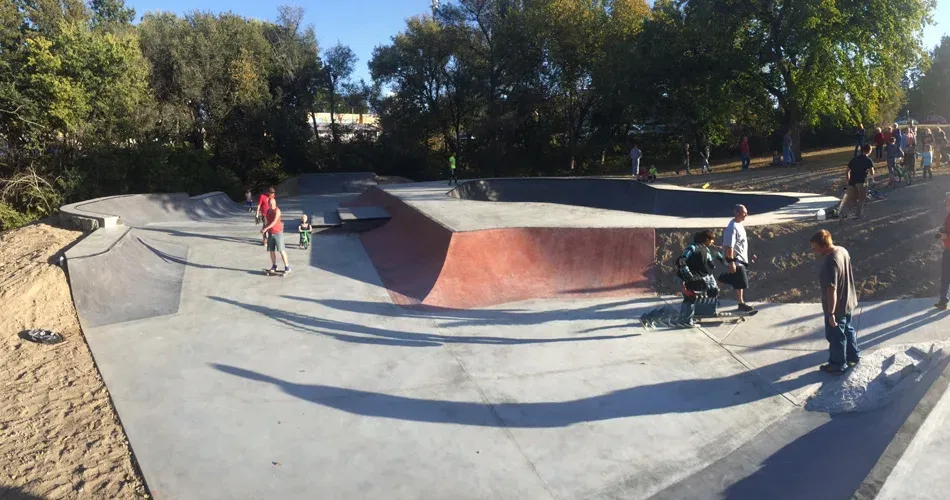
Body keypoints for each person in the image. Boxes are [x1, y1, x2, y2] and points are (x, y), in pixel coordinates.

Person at [810, 229, 860, 374]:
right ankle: (853, 356)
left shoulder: (830, 262)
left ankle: (837, 365)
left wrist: (831, 313)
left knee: (836, 336)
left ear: (823, 245)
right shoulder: (842, 250)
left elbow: (831, 289)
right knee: (848, 330)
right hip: (849, 301)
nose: (813, 251)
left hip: (837, 308)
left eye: (814, 248)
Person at [676, 230, 720, 325]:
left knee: (711, 292)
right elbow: (681, 260)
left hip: (698, 277)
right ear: (707, 239)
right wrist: (688, 275)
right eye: (712, 240)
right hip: (687, 277)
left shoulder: (706, 249)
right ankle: (686, 321)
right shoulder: (692, 248)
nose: (713, 242)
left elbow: (709, 262)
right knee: (690, 297)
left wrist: (714, 262)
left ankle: (688, 317)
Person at [720, 204, 756, 312]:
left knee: (730, 281)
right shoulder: (732, 227)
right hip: (736, 261)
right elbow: (729, 246)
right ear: (736, 213)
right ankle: (741, 303)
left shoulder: (739, 225)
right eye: (744, 212)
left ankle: (710, 293)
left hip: (739, 260)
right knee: (741, 282)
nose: (746, 214)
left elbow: (740, 244)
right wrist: (731, 262)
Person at [838, 143, 875, 220]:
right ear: (869, 151)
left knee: (851, 199)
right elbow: (872, 173)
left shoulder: (854, 159)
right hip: (862, 182)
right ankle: (858, 214)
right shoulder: (868, 160)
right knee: (861, 199)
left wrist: (848, 181)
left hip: (852, 182)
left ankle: (844, 213)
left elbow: (847, 171)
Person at [261, 197, 291, 273]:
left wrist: (266, 228)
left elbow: (274, 222)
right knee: (271, 251)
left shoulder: (277, 211)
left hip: (278, 233)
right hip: (270, 233)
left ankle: (287, 267)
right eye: (269, 203)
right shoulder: (268, 211)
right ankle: (274, 266)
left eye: (272, 203)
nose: (271, 205)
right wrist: (264, 229)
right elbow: (268, 222)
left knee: (281, 250)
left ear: (275, 203)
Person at [936, 193, 950, 310]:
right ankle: (943, 300)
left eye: (948, 202)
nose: (946, 204)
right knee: (945, 276)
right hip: (948, 250)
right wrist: (941, 233)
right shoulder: (948, 217)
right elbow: (945, 229)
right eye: (946, 202)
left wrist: (946, 236)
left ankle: (943, 299)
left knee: (946, 275)